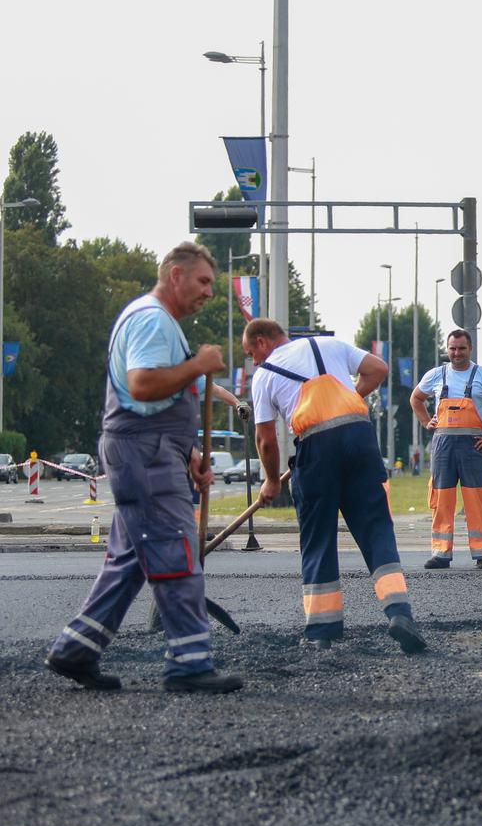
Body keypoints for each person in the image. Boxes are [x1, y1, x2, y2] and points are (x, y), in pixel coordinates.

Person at [44, 243, 242, 693]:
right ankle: (190, 665)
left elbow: (153, 402)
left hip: (149, 452)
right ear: (176, 275)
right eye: (203, 282)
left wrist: (188, 455)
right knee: (176, 554)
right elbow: (143, 383)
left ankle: (75, 649)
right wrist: (198, 366)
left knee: (130, 562)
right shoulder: (153, 319)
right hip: (144, 455)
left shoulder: (155, 320)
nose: (209, 293)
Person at [243, 318, 425, 654]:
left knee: (318, 536)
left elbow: (265, 440)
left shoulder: (266, 374)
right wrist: (347, 400)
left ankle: (322, 630)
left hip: (315, 448)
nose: (253, 361)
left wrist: (270, 481)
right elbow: (378, 369)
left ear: (262, 341)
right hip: (360, 437)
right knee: (376, 529)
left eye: (251, 352)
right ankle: (400, 613)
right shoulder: (328, 344)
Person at [409, 329, 482, 570]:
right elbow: (416, 398)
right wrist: (426, 422)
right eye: (452, 348)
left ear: (470, 349)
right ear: (448, 350)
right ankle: (440, 554)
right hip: (442, 447)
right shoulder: (436, 375)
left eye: (461, 348)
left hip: (473, 447)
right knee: (441, 499)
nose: (456, 353)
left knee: (476, 499)